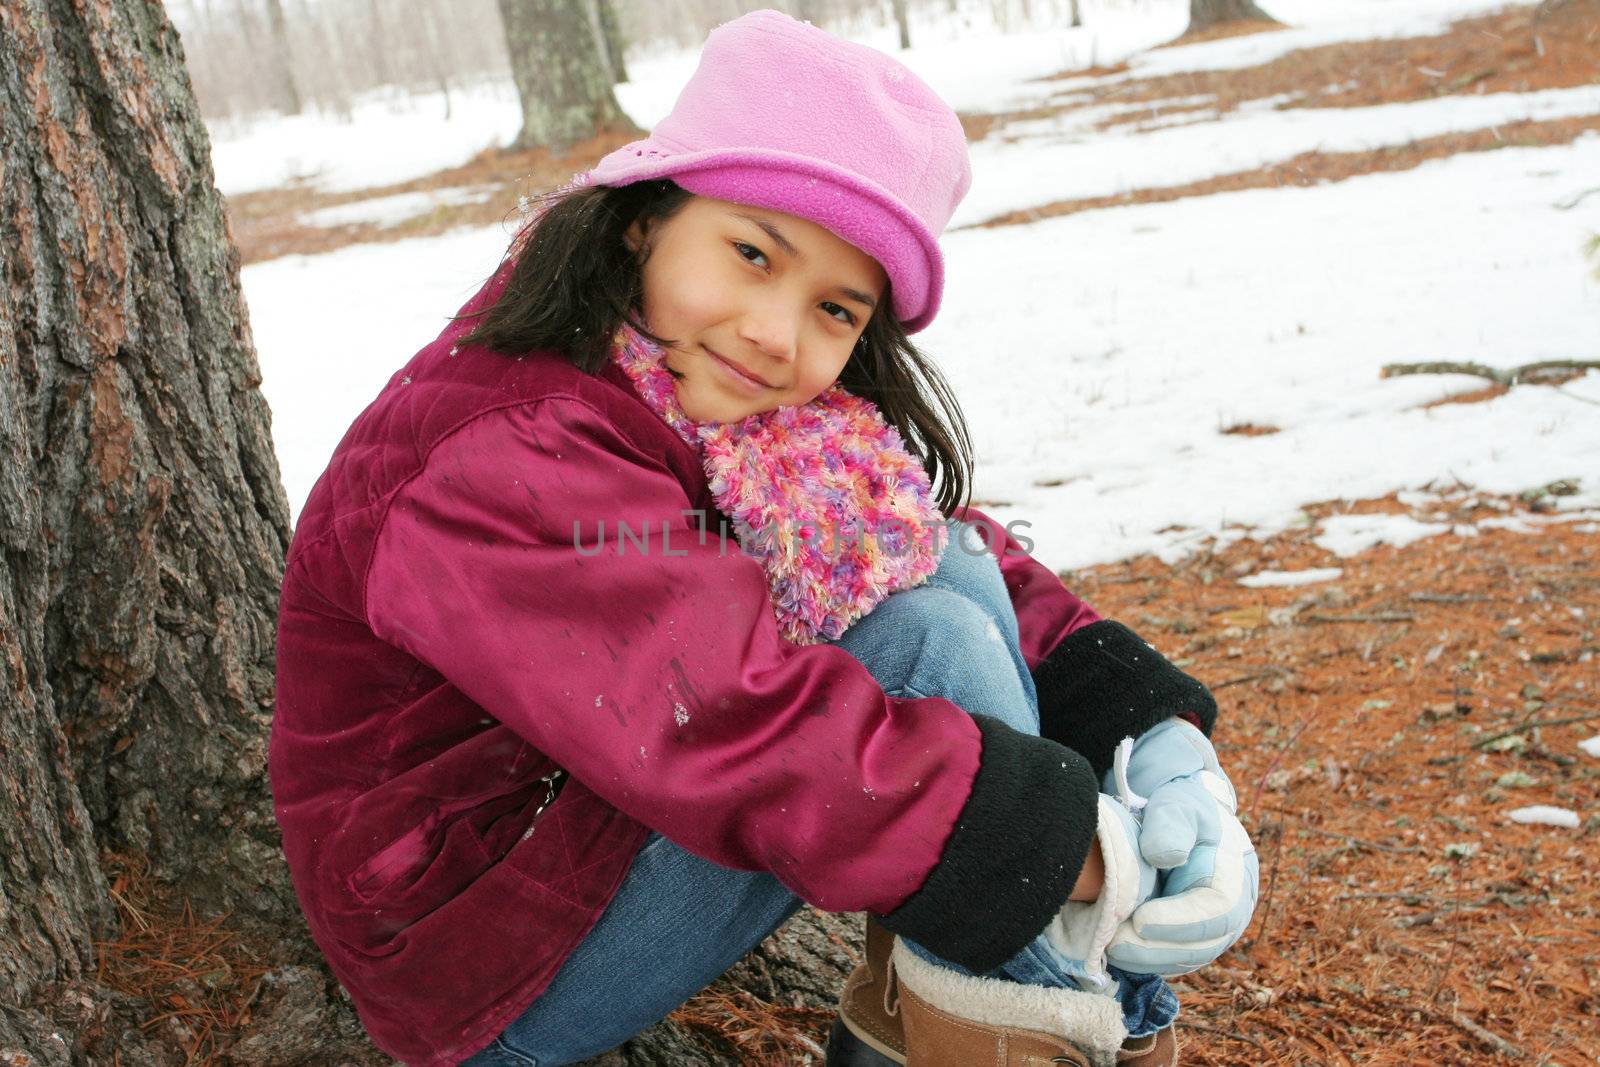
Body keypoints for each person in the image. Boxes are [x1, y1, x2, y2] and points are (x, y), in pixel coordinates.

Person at [268, 10, 1257, 1067]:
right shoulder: (504, 446)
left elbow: (933, 547)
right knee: (936, 650)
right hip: (471, 941)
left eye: (834, 309)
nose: (775, 333)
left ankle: (966, 1010)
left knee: (947, 579)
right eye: (750, 253)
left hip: (582, 827)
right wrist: (1064, 851)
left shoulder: (713, 393)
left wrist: (1149, 741)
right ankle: (1031, 1009)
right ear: (647, 216)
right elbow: (728, 727)